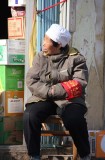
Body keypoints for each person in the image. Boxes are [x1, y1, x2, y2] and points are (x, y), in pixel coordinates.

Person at [23, 24, 90, 160]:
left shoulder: (76, 59)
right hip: (44, 98)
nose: (43, 43)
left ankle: (85, 155)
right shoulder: (40, 57)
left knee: (75, 119)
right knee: (30, 115)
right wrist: (48, 92)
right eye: (44, 39)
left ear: (58, 44)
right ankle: (34, 155)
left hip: (69, 99)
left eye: (46, 41)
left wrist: (55, 90)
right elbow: (31, 80)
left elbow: (79, 83)